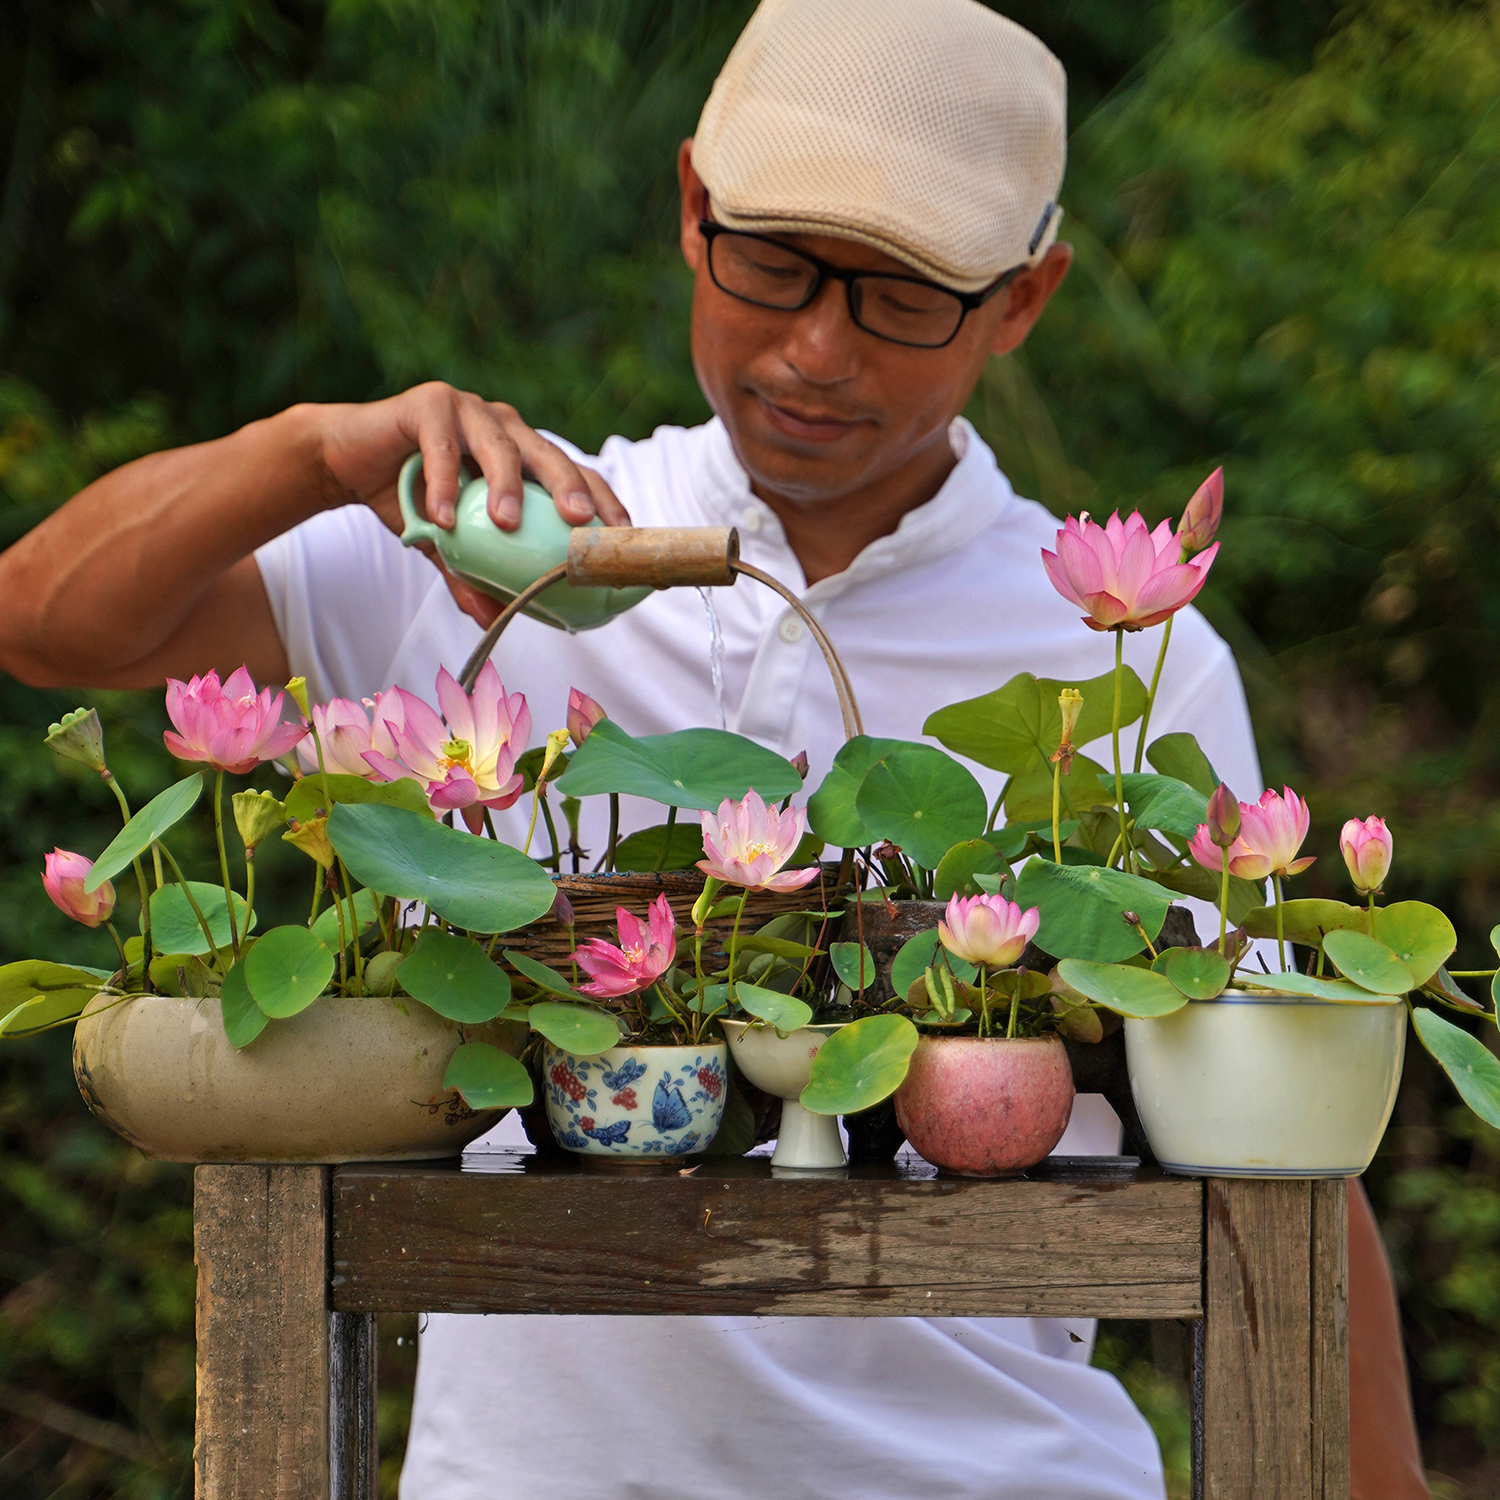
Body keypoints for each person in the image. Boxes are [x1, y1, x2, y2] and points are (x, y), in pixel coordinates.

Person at [0, 1, 1428, 1496]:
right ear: (693, 210)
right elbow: (50, 628)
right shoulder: (494, 551)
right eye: (774, 264)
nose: (816, 347)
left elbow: (1283, 1159)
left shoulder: (1125, 648)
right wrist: (306, 454)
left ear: (1025, 297)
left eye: (904, 296)